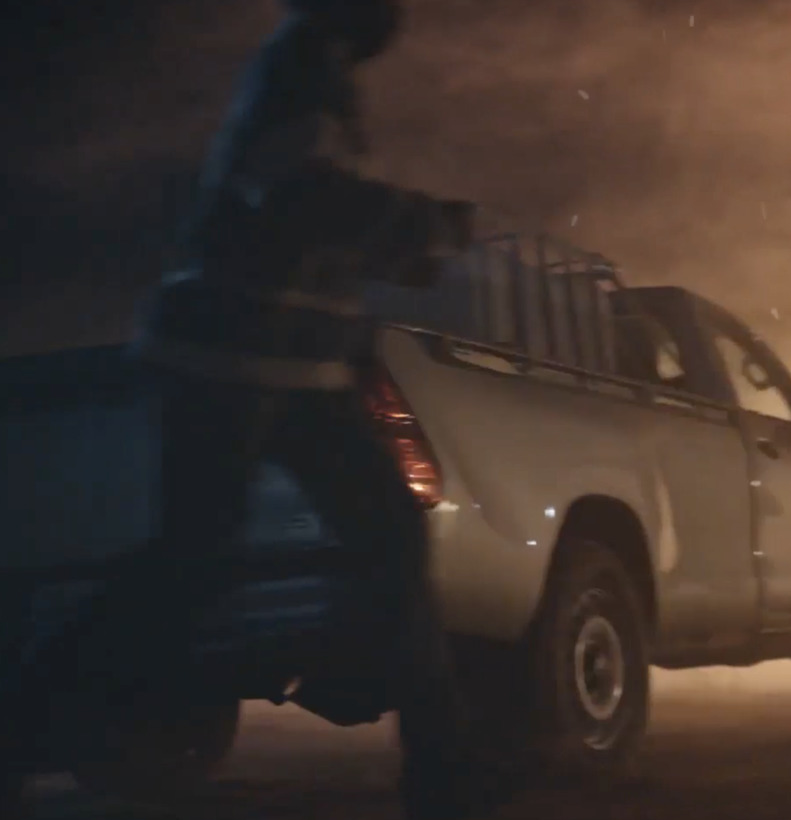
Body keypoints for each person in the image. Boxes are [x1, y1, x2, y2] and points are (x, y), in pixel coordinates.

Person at [0, 2, 506, 818]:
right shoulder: (304, 64)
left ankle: (446, 775)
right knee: (200, 559)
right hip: (230, 361)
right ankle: (21, 723)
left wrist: (396, 247)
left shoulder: (319, 69)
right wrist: (423, 224)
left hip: (293, 366)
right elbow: (298, 196)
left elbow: (303, 219)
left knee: (373, 539)